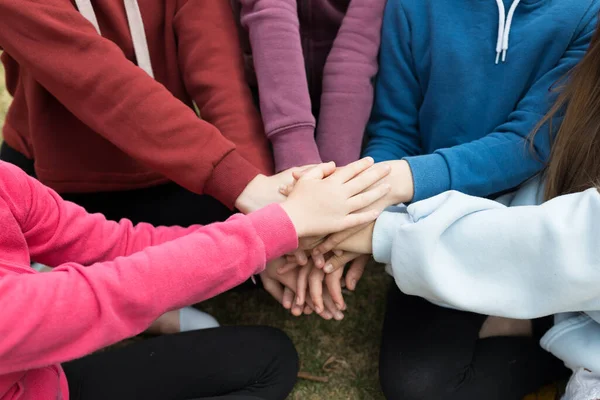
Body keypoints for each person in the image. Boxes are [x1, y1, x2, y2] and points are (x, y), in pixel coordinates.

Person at [291, 0, 600, 398]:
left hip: (538, 219)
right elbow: (394, 130)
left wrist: (381, 204)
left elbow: (528, 142)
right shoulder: (412, 7)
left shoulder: (588, 12)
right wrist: (366, 208)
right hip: (427, 217)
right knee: (416, 385)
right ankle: (529, 324)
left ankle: (551, 327)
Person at [0, 0, 293, 333]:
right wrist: (250, 195)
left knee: (263, 258)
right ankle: (98, 289)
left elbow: (220, 80)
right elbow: (102, 84)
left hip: (167, 169)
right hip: (55, 183)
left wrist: (261, 201)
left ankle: (81, 280)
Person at [0, 156, 392, 400]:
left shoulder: (5, 183)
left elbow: (113, 243)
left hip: (42, 382)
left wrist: (267, 250)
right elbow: (108, 295)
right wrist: (281, 225)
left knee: (267, 360)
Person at [232, 0, 387, 319]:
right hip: (264, 95)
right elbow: (270, 13)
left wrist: (335, 197)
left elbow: (355, 51)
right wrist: (296, 179)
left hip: (353, 111)